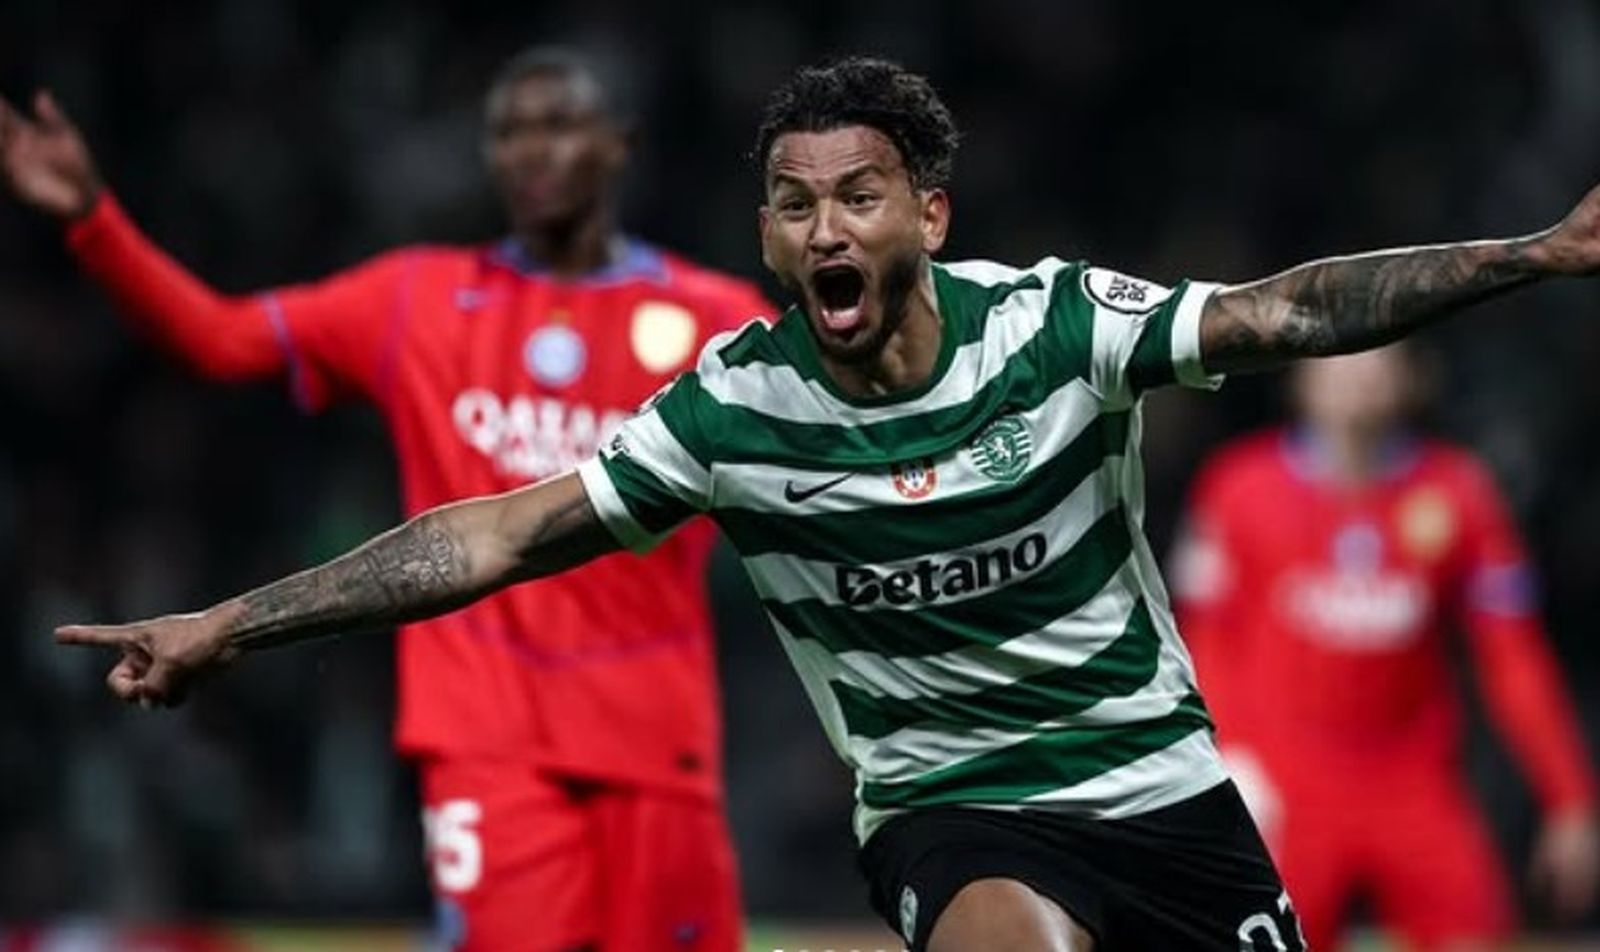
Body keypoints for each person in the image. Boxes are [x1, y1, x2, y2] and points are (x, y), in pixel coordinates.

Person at [49, 56, 1600, 952]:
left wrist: (1526, 256)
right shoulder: (735, 405)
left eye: (857, 194)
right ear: (774, 242)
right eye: (792, 205)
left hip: (1161, 791)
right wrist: (233, 626)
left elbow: (1284, 312)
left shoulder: (1054, 326)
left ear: (927, 213)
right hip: (949, 809)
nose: (822, 226)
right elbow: (497, 531)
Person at [1, 47, 771, 952]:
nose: (532, 150)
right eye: (509, 132)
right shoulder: (418, 299)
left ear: (620, 145)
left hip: (659, 749)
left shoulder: (715, 318)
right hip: (489, 746)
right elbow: (221, 340)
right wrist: (95, 221)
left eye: (558, 124)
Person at [1170, 343, 1600, 951]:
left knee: (1479, 933)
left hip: (1413, 782)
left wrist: (1570, 798)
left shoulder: (1460, 494)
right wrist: (1224, 765)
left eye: (1378, 358)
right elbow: (1200, 642)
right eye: (1339, 357)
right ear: (1301, 377)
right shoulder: (1237, 489)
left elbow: (1512, 656)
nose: (1357, 374)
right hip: (1286, 781)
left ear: (1411, 379)